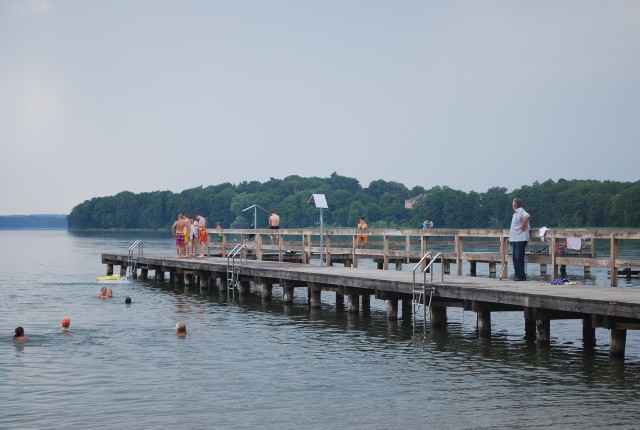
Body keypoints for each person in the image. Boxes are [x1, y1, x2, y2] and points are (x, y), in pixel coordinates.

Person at [509, 198, 531, 281]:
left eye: (512, 204)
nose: (512, 205)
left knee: (519, 257)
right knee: (515, 257)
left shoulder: (521, 211)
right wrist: (510, 237)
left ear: (514, 205)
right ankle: (517, 275)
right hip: (514, 238)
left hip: (521, 238)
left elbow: (527, 216)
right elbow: (513, 227)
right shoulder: (515, 213)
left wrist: (523, 225)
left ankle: (521, 276)